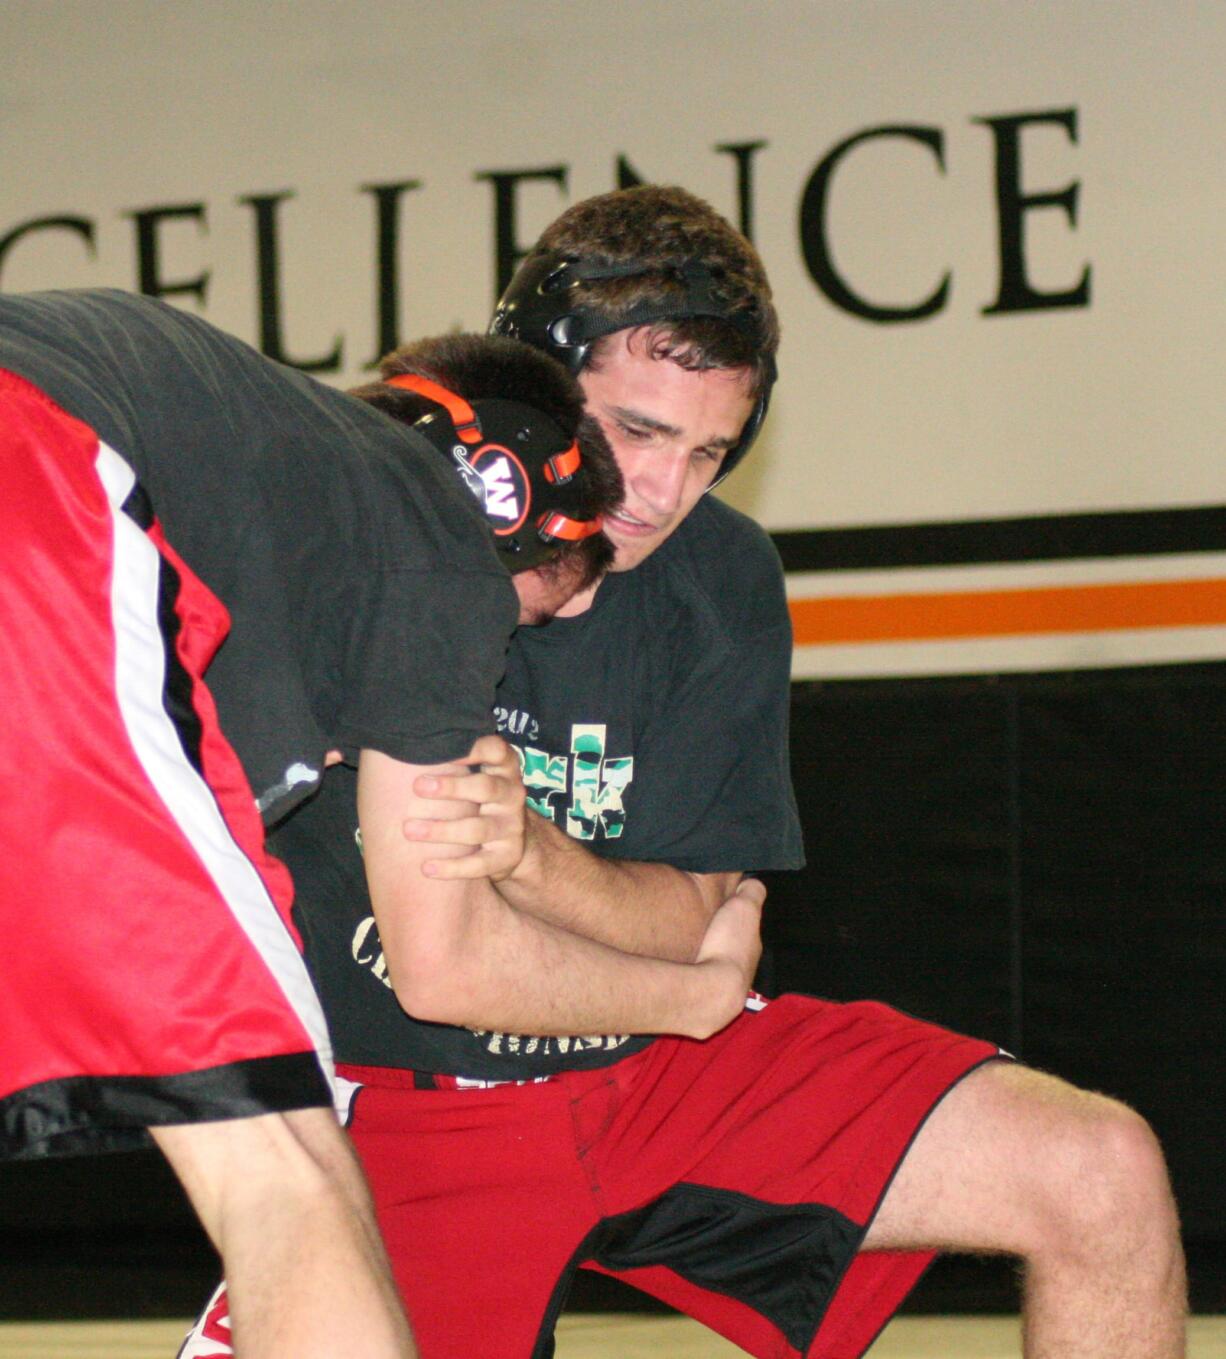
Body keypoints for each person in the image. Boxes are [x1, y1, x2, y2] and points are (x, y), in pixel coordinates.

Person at [194, 186, 1185, 1359]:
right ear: (536, 389)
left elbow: (688, 920)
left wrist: (537, 852)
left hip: (656, 1072)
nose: (663, 493)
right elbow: (448, 971)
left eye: (709, 449)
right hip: (408, 1103)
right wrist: (681, 978)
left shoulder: (719, 577)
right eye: (637, 431)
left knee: (1097, 1167)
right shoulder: (382, 536)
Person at [0, 290, 763, 1359]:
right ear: (510, 513)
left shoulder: (263, 506)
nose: (489, 662)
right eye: (523, 620)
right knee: (284, 1165)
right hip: (33, 479)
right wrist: (694, 996)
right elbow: (444, 967)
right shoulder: (434, 544)